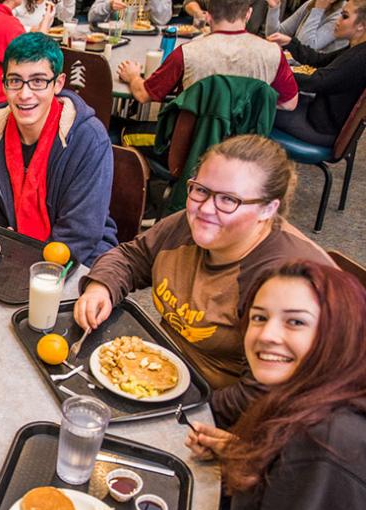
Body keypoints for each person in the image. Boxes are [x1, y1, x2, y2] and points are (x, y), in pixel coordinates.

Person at [160, 260, 366, 510]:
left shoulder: (328, 449)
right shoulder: (309, 403)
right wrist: (250, 456)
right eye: (259, 317)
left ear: (339, 333)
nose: (268, 335)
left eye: (295, 323)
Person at [74, 135, 334, 427]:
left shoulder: (288, 280)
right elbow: (132, 257)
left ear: (267, 209)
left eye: (228, 200)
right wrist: (102, 287)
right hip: (163, 379)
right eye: (200, 190)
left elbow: (267, 392)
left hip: (224, 417)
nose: (206, 209)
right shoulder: (187, 222)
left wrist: (183, 415)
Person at [0, 33, 118, 266]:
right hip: (12, 248)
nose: (25, 94)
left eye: (38, 81)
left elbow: (81, 232)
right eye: (15, 81)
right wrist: (3, 234)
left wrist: (30, 267)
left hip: (79, 257)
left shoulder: (88, 139)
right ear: (4, 83)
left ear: (58, 84)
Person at [117, 0, 299, 110]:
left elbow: (143, 95)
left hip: (187, 150)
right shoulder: (273, 54)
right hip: (245, 154)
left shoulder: (187, 53)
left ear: (209, 16)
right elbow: (289, 104)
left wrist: (132, 76)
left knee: (123, 131)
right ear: (249, 14)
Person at [268, 0, 366, 146]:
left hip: (320, 128)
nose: (338, 20)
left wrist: (275, 74)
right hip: (318, 115)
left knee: (255, 105)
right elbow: (320, 60)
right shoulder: (356, 49)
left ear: (361, 26)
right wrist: (290, 43)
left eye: (344, 16)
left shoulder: (360, 58)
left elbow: (319, 81)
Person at [265, 0, 348, 51]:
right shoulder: (311, 4)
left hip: (314, 72)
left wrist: (318, 9)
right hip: (294, 64)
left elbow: (305, 48)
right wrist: (274, 8)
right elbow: (274, 35)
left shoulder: (341, 15)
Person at [88, 0, 172, 26]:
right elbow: (92, 17)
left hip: (148, 40)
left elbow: (162, 21)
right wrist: (108, 6)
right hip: (117, 38)